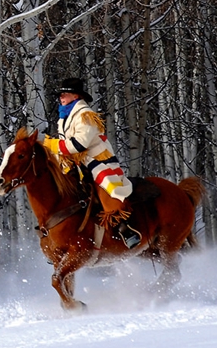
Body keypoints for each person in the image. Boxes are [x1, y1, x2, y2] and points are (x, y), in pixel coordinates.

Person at [41, 77, 142, 249]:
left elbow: (79, 145)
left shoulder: (86, 115)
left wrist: (52, 144)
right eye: (60, 95)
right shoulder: (64, 116)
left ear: (75, 96)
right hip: (75, 163)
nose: (61, 98)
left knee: (105, 188)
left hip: (95, 160)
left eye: (64, 94)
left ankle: (124, 227)